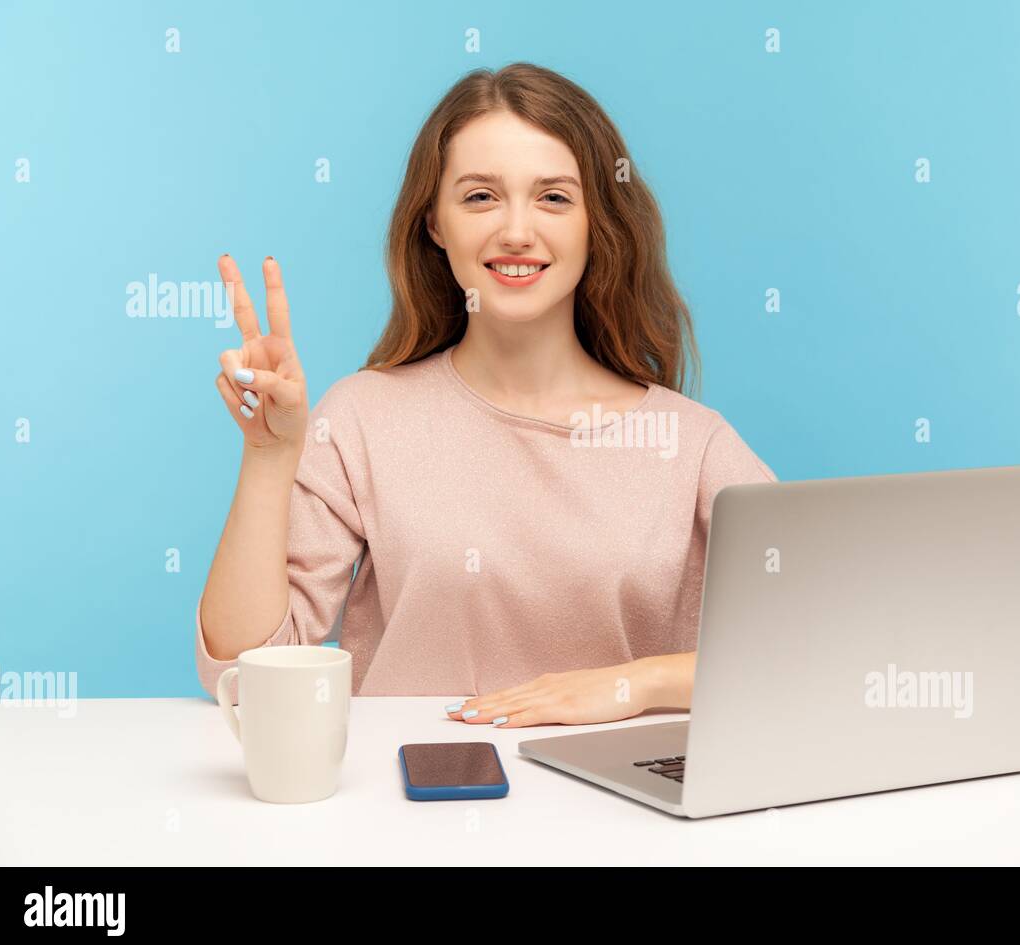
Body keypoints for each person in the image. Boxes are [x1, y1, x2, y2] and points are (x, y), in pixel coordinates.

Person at [197, 62, 775, 728]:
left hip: (620, 816)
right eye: (480, 197)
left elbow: (818, 638)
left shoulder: (692, 442)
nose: (517, 232)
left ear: (597, 223)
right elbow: (243, 675)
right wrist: (270, 458)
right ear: (435, 224)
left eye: (554, 198)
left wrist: (634, 684)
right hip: (405, 802)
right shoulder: (362, 417)